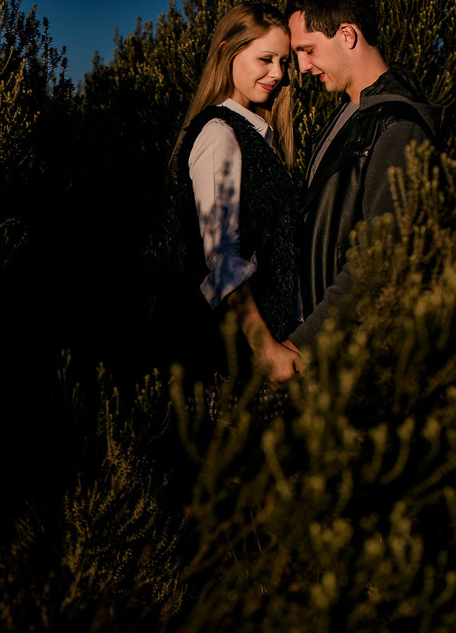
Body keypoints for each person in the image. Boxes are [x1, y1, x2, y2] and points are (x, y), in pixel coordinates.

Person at [284, 0, 441, 354]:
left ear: (347, 35)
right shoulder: (346, 118)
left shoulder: (398, 127)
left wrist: (303, 344)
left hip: (356, 359)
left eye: (307, 50)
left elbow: (381, 260)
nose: (302, 67)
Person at [170, 2, 303, 388]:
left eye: (283, 62)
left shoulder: (258, 136)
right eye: (265, 59)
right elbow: (221, 257)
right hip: (235, 369)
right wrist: (266, 349)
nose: (277, 73)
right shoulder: (218, 133)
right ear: (228, 50)